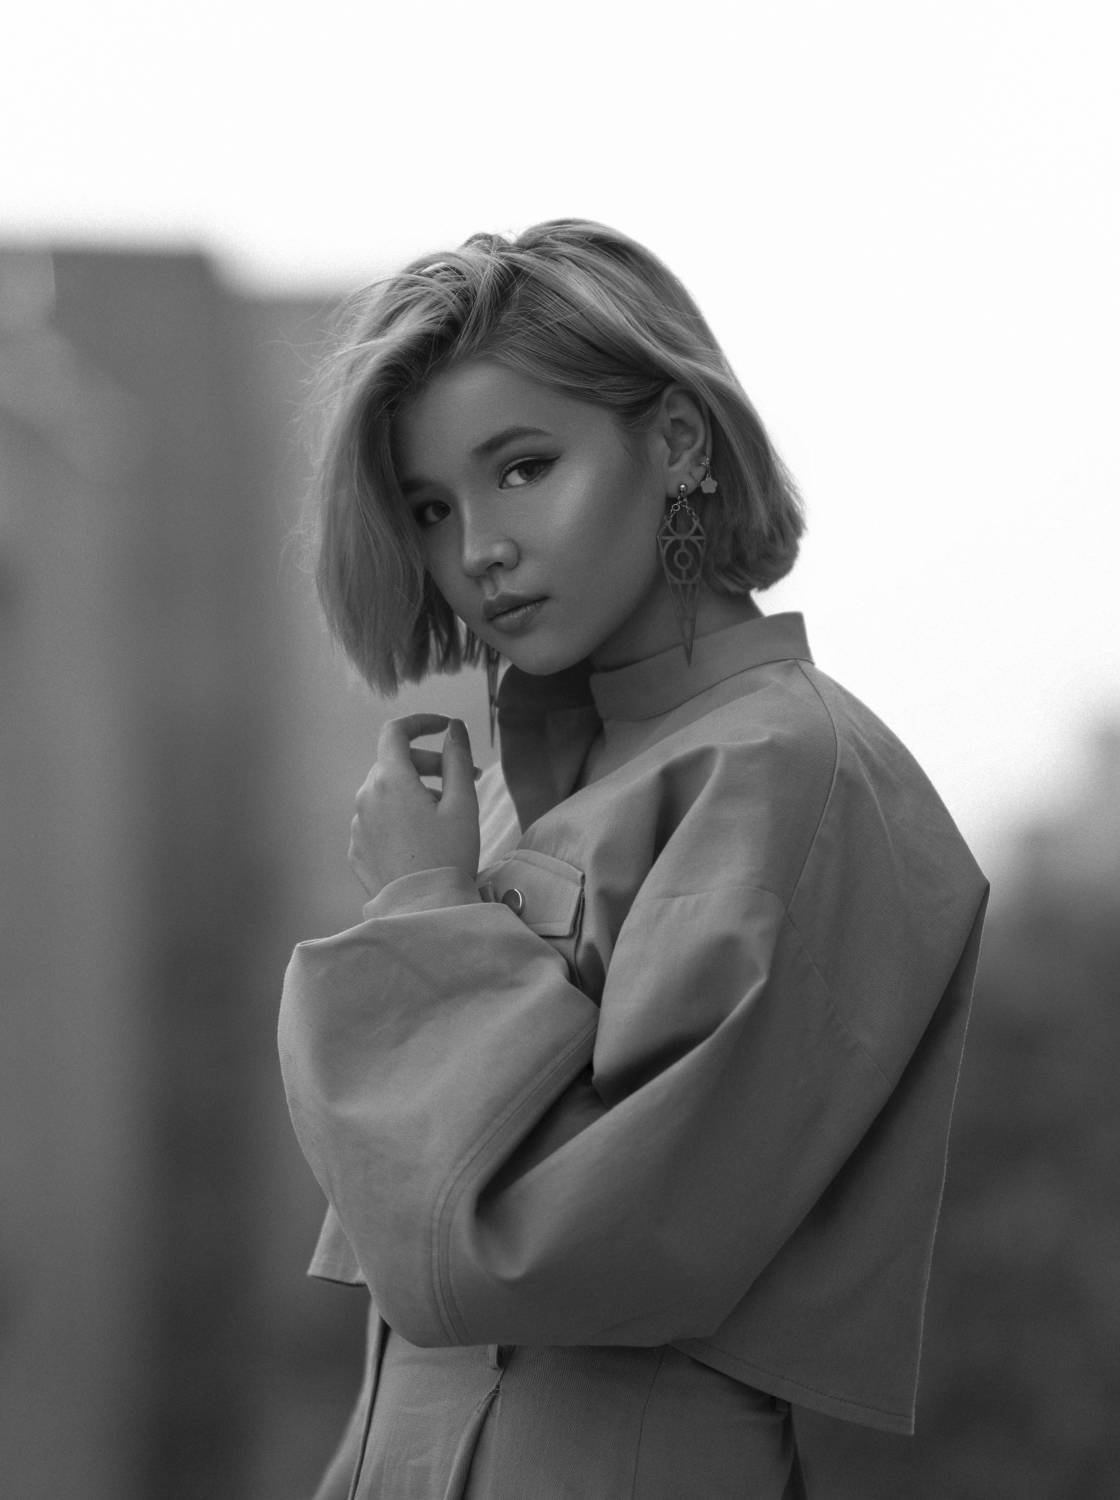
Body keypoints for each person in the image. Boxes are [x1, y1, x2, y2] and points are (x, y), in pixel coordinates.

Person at [278, 219, 989, 1500]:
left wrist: (425, 907)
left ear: (677, 443)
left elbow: (548, 1248)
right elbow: (412, 1337)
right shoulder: (521, 787)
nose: (477, 550)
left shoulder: (790, 773)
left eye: (524, 467)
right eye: (432, 508)